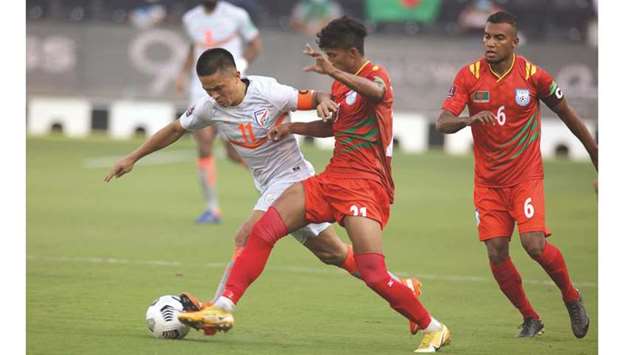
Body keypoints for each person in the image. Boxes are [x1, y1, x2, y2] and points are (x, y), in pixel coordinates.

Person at [177, 17, 451, 353]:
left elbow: (377, 94)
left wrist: (332, 73)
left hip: (367, 185)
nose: (329, 62)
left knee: (374, 273)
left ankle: (433, 328)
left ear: (352, 53)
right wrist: (292, 127)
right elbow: (334, 127)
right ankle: (223, 308)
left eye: (334, 56)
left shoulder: (376, 77)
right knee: (263, 231)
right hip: (332, 177)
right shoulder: (341, 85)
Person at [105, 47, 422, 335]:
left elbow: (316, 96)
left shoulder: (269, 92)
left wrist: (325, 101)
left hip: (293, 179)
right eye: (208, 90)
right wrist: (133, 157)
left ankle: (218, 310)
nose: (215, 95)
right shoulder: (209, 107)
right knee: (334, 254)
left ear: (236, 76)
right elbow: (176, 129)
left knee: (246, 235)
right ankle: (405, 289)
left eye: (219, 87)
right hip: (271, 185)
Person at [437, 11, 597, 338]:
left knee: (534, 245)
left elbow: (568, 115)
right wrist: (468, 120)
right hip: (487, 183)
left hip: (525, 177)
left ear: (514, 42)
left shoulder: (534, 76)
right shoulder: (468, 76)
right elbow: (442, 121)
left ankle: (571, 296)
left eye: (498, 38)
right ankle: (530, 317)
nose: (490, 43)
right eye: (486, 37)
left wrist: (598, 157)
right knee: (496, 250)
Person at [176, 0, 262, 224]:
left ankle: (272, 188)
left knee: (234, 153)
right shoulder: (190, 19)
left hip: (229, 89)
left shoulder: (237, 15)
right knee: (204, 144)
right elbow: (193, 48)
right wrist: (183, 73)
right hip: (200, 90)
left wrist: (239, 64)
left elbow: (255, 44)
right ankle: (212, 209)